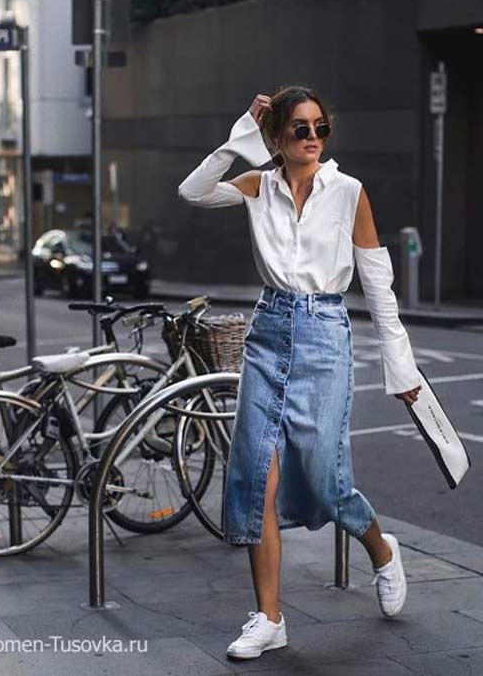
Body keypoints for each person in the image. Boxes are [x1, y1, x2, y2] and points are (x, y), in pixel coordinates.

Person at [177, 86, 423, 660]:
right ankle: (269, 617)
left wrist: (400, 364)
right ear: (278, 138)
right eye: (299, 129)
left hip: (325, 334)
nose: (312, 138)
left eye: (320, 128)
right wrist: (243, 132)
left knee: (324, 476)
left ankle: (381, 548)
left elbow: (378, 287)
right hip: (268, 330)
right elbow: (191, 191)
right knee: (253, 474)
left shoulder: (348, 192)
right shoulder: (258, 185)